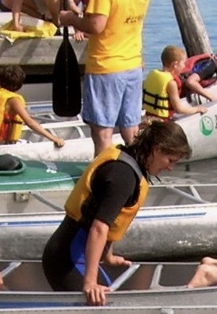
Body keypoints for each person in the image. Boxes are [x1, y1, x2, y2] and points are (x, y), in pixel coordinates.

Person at [41, 121, 191, 305]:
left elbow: (108, 217)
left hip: (78, 254)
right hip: (67, 258)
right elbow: (98, 227)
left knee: (114, 303)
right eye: (170, 160)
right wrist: (89, 283)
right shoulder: (123, 175)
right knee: (102, 305)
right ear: (157, 149)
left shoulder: (130, 162)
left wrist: (108, 256)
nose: (170, 167)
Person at [57, 0, 159, 156]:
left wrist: (70, 18)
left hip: (105, 67)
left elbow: (96, 25)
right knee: (130, 129)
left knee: (103, 134)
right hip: (132, 66)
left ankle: (103, 177)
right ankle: (137, 172)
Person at [0, 64, 65, 147]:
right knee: (31, 144)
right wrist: (54, 138)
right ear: (19, 84)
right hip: (2, 144)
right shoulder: (13, 100)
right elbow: (30, 123)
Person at [142, 45, 207, 122]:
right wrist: (196, 109)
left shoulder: (152, 75)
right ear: (175, 64)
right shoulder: (171, 83)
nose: (184, 66)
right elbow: (178, 108)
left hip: (148, 117)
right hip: (162, 121)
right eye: (183, 63)